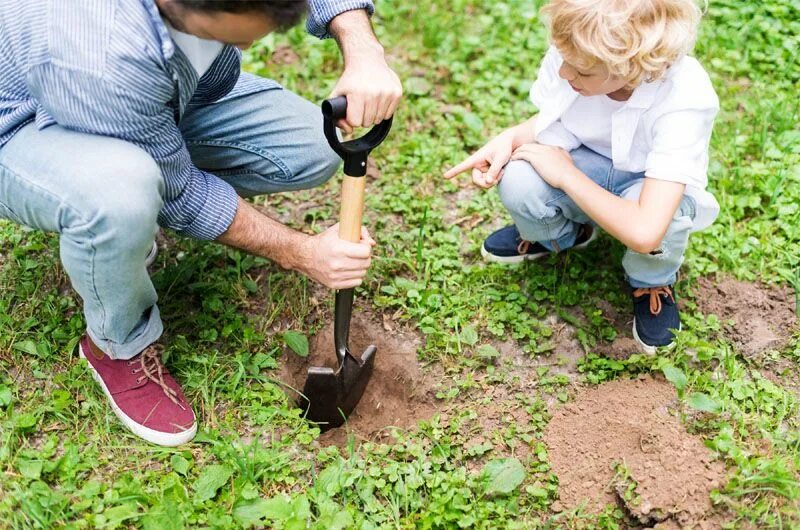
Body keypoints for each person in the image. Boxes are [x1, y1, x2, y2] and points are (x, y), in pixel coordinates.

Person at [0, 0, 402, 446]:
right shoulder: (100, 52)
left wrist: (363, 48)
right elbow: (182, 195)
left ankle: (136, 165)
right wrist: (299, 252)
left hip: (156, 96)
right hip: (21, 123)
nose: (250, 45)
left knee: (311, 145)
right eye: (231, 37)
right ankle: (116, 345)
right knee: (121, 196)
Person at [444, 0, 719, 355]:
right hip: (585, 159)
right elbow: (553, 122)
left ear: (633, 67)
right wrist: (510, 139)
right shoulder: (576, 57)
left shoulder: (684, 97)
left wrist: (567, 176)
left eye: (582, 71)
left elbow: (645, 229)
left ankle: (652, 280)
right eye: (564, 61)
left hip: (646, 186)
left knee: (667, 223)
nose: (564, 74)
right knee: (519, 178)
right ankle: (566, 235)